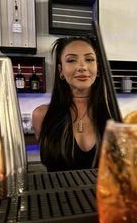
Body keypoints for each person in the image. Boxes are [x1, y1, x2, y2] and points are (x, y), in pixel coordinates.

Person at [32, 36, 112, 172]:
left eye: (89, 59)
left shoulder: (113, 116)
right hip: (57, 193)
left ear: (98, 68)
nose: (82, 67)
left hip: (102, 193)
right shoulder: (42, 115)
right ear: (60, 71)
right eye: (71, 60)